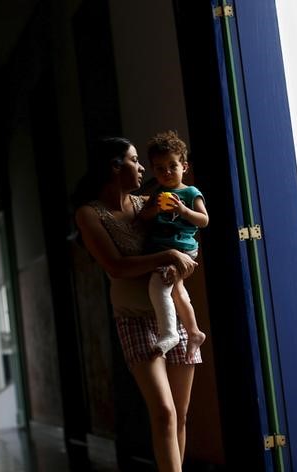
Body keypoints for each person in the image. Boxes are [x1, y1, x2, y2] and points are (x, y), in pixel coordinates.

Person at [73, 136, 201, 472]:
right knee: (164, 412)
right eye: (134, 159)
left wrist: (184, 243)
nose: (143, 167)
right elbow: (115, 266)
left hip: (172, 314)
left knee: (181, 415)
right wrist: (169, 254)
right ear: (115, 166)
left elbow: (190, 231)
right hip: (133, 317)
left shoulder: (151, 201)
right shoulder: (89, 214)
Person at [138, 130, 208, 361]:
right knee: (178, 293)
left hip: (183, 249)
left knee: (158, 287)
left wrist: (183, 211)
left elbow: (204, 220)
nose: (166, 172)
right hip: (163, 251)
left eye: (172, 166)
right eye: (159, 168)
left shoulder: (190, 192)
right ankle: (194, 332)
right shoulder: (157, 194)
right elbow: (143, 219)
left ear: (184, 167)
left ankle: (170, 334)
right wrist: (155, 209)